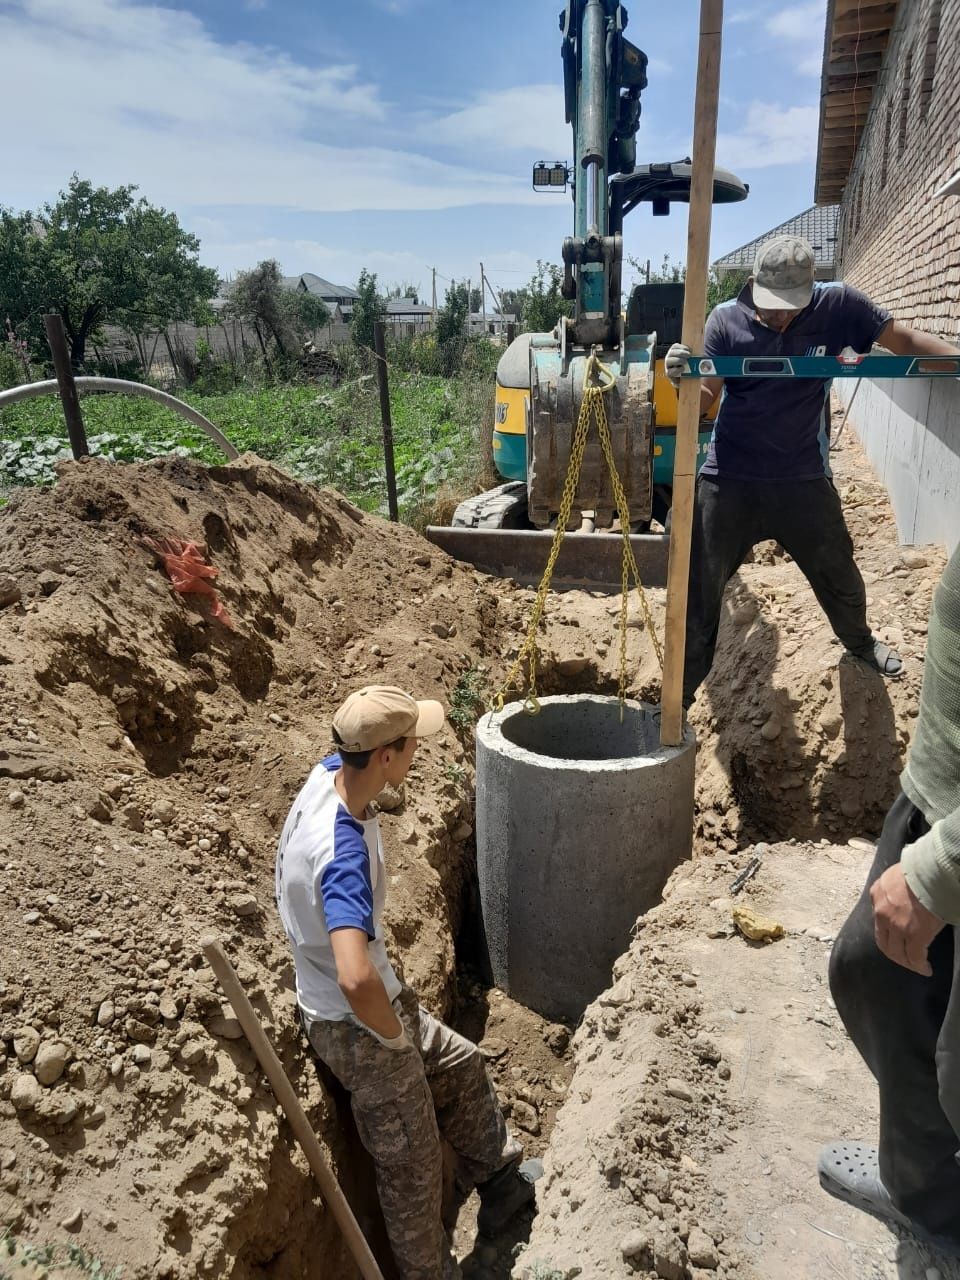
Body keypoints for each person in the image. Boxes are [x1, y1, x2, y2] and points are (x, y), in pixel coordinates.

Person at [275, 684, 535, 1279]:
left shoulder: (331, 772)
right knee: (414, 1168)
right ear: (386, 757)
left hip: (372, 1006)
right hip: (356, 1027)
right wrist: (392, 1037)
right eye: (413, 742)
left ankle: (500, 1181)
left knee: (462, 1064)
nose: (420, 748)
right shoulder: (342, 855)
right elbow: (353, 975)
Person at [665, 234, 960, 709]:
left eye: (790, 306)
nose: (779, 315)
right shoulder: (726, 320)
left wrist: (954, 361)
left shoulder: (839, 307)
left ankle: (860, 643)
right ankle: (678, 696)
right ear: (752, 284)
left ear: (811, 289)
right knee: (699, 586)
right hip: (730, 477)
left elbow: (903, 340)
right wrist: (686, 378)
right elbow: (706, 401)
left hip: (800, 474)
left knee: (838, 570)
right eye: (771, 306)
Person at [818, 542, 960, 1257]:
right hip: (938, 790)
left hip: (951, 834)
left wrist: (944, 868)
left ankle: (932, 1202)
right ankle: (928, 1189)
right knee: (871, 973)